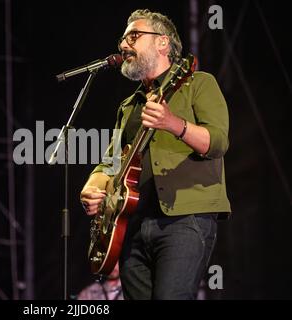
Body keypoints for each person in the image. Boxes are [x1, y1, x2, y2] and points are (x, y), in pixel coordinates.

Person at [80, 9, 231, 300]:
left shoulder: (198, 83)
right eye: (122, 39)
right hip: (131, 225)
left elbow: (218, 142)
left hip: (185, 219)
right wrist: (93, 186)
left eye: (133, 36)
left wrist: (173, 124)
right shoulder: (129, 105)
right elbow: (110, 162)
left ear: (162, 43)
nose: (123, 45)